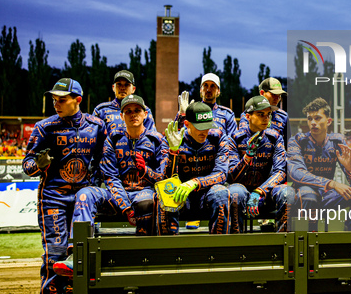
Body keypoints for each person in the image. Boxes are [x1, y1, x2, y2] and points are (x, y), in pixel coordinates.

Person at [53, 95, 168, 280]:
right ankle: (76, 255)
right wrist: (126, 208)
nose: (133, 115)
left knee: (147, 201)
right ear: (121, 116)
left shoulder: (158, 140)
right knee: (85, 194)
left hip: (144, 193)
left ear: (145, 114)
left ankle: (144, 257)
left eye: (137, 110)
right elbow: (111, 177)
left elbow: (162, 178)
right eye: (128, 111)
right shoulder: (113, 138)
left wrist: (145, 171)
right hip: (117, 196)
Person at [22, 78, 107, 294]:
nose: (56, 104)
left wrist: (97, 186)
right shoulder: (44, 127)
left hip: (84, 202)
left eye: (62, 100)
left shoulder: (97, 126)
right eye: (54, 100)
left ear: (77, 100)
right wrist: (38, 164)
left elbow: (104, 161)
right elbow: (26, 165)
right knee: (55, 257)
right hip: (53, 198)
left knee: (80, 258)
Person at [288, 97, 351, 231]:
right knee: (309, 194)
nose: (313, 123)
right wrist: (331, 184)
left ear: (329, 121)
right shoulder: (297, 140)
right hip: (302, 194)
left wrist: (350, 169)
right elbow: (296, 173)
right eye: (310, 119)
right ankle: (308, 243)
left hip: (327, 196)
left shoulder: (336, 141)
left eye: (317, 118)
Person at [157, 101, 231, 235]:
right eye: (200, 127)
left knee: (221, 193)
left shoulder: (218, 137)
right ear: (187, 124)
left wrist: (195, 182)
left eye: (207, 126)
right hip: (181, 195)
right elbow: (164, 178)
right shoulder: (170, 138)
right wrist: (173, 152)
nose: (205, 132)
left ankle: (219, 249)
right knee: (164, 193)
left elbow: (221, 174)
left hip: (207, 192)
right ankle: (169, 249)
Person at [228, 96, 290, 233]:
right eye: (260, 114)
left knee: (287, 193)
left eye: (268, 114)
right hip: (241, 190)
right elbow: (231, 177)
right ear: (248, 116)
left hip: (265, 192)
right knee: (235, 192)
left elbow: (281, 172)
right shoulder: (235, 139)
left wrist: (260, 191)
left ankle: (283, 245)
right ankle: (235, 245)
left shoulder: (275, 138)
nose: (266, 118)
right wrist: (247, 157)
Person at [239, 77, 288, 145]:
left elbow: (287, 145)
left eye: (279, 95)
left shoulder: (283, 116)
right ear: (262, 93)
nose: (277, 98)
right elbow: (243, 141)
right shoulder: (249, 115)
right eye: (273, 94)